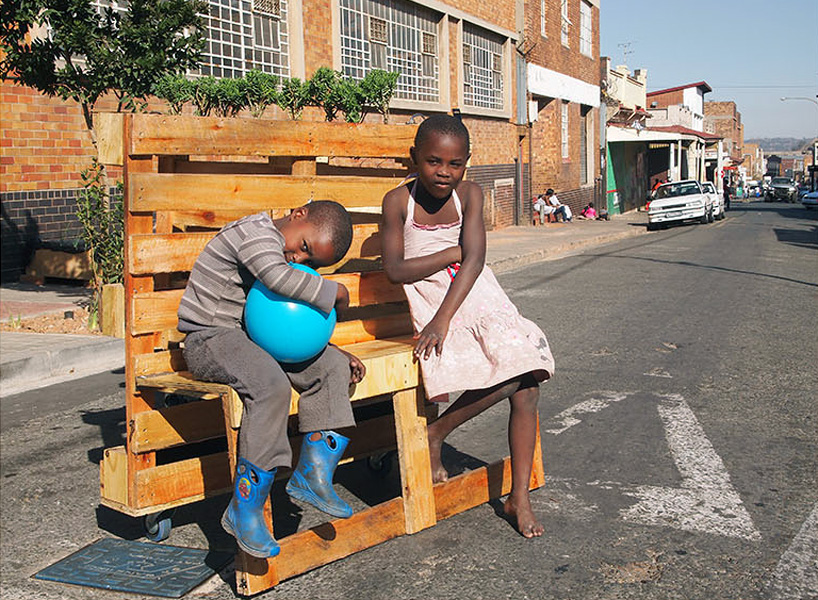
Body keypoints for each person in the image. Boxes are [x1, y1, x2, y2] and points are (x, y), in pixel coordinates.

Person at [380, 115, 555, 538]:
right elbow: (396, 269)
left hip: (474, 292)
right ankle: (440, 437)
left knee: (528, 378)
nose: (444, 172)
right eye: (434, 161)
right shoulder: (397, 201)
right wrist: (449, 253)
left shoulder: (470, 195)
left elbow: (474, 261)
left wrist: (446, 315)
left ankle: (513, 492)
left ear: (467, 164)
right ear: (414, 158)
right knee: (523, 378)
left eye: (455, 164)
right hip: (429, 296)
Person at [177, 201, 366, 559]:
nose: (299, 259)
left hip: (250, 339)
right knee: (271, 386)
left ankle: (313, 476)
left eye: (310, 263)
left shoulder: (281, 249)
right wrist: (336, 292)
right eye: (304, 247)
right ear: (298, 214)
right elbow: (277, 279)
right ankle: (244, 509)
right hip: (209, 338)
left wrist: (334, 350)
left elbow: (283, 322)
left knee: (332, 369)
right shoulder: (253, 234)